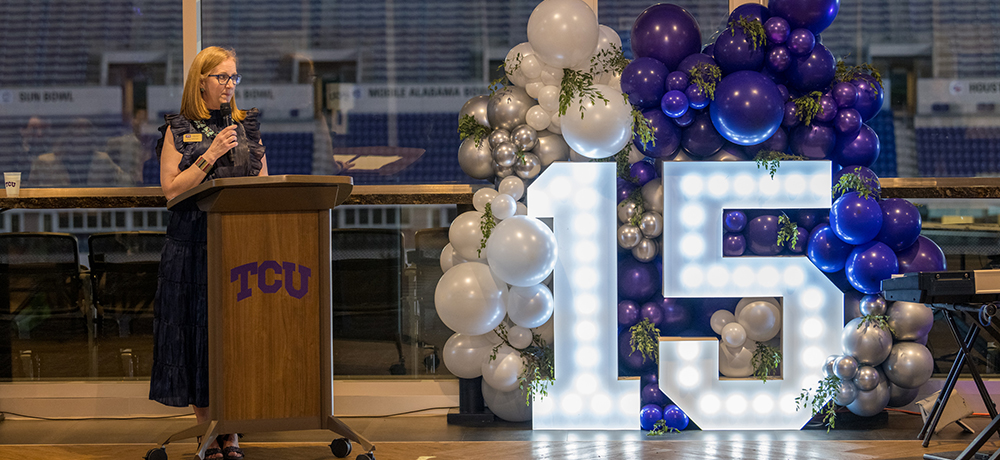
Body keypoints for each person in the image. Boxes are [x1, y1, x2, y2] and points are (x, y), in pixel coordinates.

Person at [150, 46, 267, 460]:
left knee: (233, 339)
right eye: (222, 77)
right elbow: (172, 190)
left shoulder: (246, 127)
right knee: (196, 339)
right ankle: (208, 429)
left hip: (237, 249)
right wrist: (212, 153)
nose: (229, 85)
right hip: (190, 248)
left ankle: (231, 429)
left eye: (234, 78)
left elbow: (263, 187)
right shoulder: (178, 128)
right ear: (201, 80)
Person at [29, 117, 131, 187]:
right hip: (58, 215)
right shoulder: (45, 162)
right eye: (78, 135)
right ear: (69, 136)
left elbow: (126, 181)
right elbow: (30, 190)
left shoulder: (102, 160)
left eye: (86, 135)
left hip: (93, 216)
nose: (82, 139)